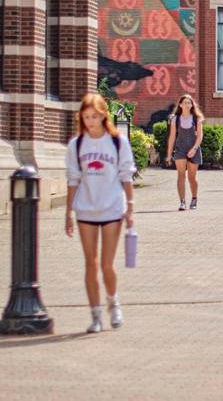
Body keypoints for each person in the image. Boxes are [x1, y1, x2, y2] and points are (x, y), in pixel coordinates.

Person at [65, 93, 136, 333]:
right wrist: (68, 212)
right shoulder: (77, 145)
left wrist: (130, 208)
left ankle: (113, 302)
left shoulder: (117, 142)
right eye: (86, 117)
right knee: (90, 264)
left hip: (112, 208)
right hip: (85, 208)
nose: (90, 121)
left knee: (107, 264)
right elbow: (73, 179)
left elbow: (127, 175)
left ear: (103, 115)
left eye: (94, 116)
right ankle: (95, 314)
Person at [165, 94, 204, 210]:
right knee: (181, 176)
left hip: (193, 149)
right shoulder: (175, 119)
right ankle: (182, 202)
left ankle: (194, 198)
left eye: (189, 103)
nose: (187, 105)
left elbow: (200, 136)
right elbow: (172, 137)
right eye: (185, 103)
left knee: (192, 177)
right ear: (180, 105)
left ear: (192, 105)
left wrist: (194, 149)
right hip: (180, 149)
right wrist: (168, 155)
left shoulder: (196, 118)